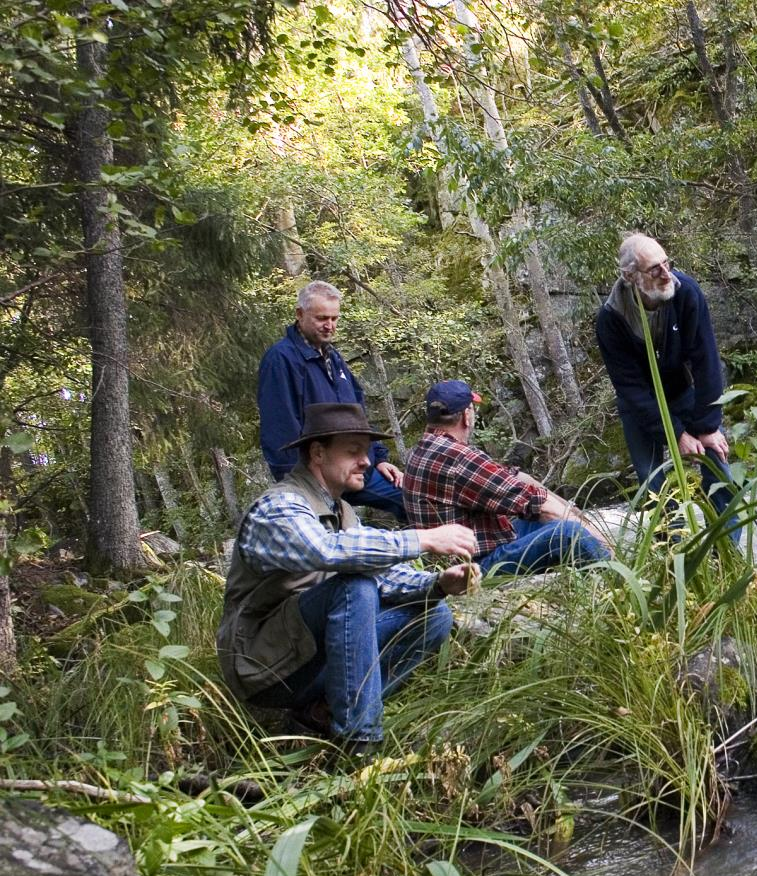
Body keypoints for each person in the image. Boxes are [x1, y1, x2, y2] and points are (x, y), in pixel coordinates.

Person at [218, 403, 479, 754]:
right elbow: (325, 551)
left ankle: (320, 714)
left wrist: (438, 584)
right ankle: (360, 742)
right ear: (318, 453)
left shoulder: (342, 512)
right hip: (264, 668)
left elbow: (382, 576)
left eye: (367, 452)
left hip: (311, 657)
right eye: (353, 451)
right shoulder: (278, 507)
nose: (367, 461)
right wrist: (423, 538)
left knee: (435, 616)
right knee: (352, 587)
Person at [594, 233, 737, 524]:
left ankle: (728, 549)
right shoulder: (610, 319)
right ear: (630, 276)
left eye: (666, 262)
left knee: (715, 455)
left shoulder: (686, 292)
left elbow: (706, 360)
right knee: (651, 480)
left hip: (682, 387)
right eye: (655, 269)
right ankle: (673, 554)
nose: (666, 273)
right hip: (640, 404)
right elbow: (631, 389)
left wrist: (707, 427)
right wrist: (677, 436)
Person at [403, 380, 613, 575]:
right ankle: (616, 577)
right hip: (474, 569)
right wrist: (601, 538)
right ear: (467, 415)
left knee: (542, 522)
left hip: (455, 560)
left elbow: (511, 477)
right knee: (569, 533)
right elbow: (538, 504)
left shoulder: (422, 449)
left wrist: (571, 509)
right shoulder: (459, 458)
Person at [258, 280, 406, 520]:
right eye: (322, 318)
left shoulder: (332, 357)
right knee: (330, 538)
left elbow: (357, 411)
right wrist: (297, 485)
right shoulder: (281, 360)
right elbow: (279, 427)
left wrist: (378, 458)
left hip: (355, 469)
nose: (329, 326)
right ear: (300, 314)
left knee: (414, 499)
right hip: (317, 477)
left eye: (334, 319)